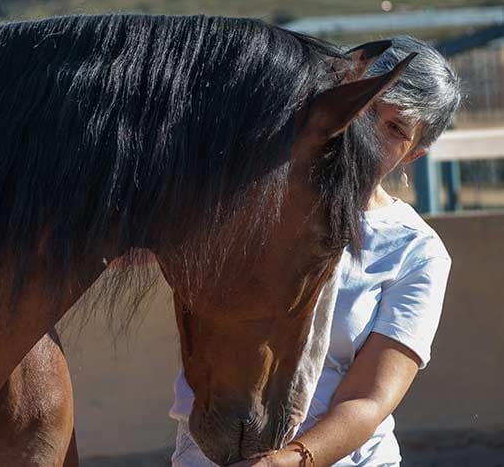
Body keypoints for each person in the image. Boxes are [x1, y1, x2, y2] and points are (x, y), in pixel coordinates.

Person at [169, 36, 462, 467]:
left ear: (414, 154)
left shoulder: (416, 252)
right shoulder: (245, 206)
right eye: (364, 110)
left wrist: (287, 461)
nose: (368, 133)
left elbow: (369, 398)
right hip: (206, 456)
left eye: (396, 128)